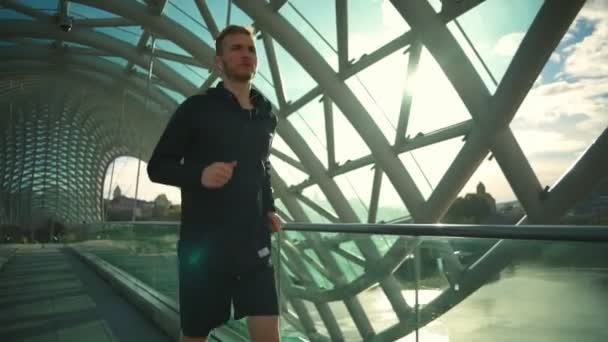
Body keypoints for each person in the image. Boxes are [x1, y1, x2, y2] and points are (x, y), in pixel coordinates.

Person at [147, 25, 282, 342]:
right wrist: (200, 175)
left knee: (269, 334)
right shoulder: (196, 109)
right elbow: (157, 167)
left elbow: (263, 168)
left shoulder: (266, 114)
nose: (245, 54)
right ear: (218, 63)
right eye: (236, 48)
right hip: (205, 250)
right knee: (195, 335)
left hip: (255, 247)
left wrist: (271, 208)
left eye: (250, 49)